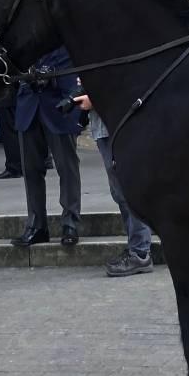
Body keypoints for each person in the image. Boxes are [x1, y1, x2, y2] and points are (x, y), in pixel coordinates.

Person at [7, 47, 83, 247]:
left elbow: (70, 63)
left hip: (58, 106)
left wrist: (50, 74)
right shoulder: (25, 35)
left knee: (67, 168)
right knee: (31, 170)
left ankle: (70, 223)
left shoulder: (60, 30)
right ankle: (36, 225)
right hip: (29, 106)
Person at [75, 89, 154, 277]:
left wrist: (94, 98)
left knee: (128, 191)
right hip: (108, 127)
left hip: (117, 126)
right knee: (121, 192)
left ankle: (140, 252)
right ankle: (137, 249)